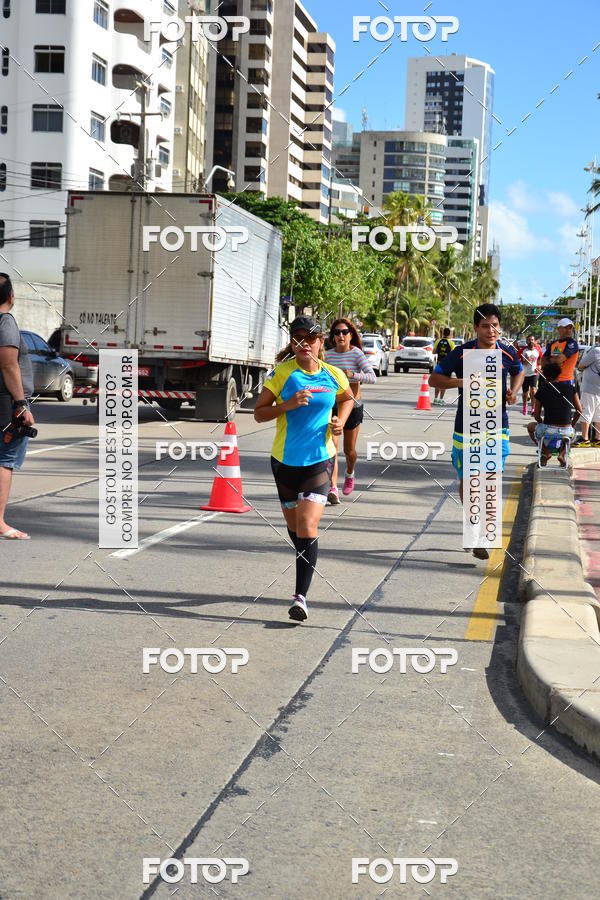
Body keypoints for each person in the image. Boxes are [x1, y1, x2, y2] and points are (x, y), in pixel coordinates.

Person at [254, 316, 354, 621]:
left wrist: (341, 420)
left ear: (321, 342)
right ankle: (302, 558)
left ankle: (300, 597)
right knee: (297, 530)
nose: (304, 344)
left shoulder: (333, 374)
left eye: (310, 338)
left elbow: (348, 398)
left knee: (308, 525)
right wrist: (288, 404)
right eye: (298, 339)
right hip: (284, 462)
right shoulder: (283, 374)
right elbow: (258, 414)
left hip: (320, 460)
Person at [428, 303, 523, 560]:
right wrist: (462, 381)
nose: (491, 330)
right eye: (485, 326)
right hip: (466, 427)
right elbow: (434, 380)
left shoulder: (507, 352)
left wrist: (513, 391)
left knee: (489, 478)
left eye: (495, 325)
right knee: (470, 482)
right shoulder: (462, 353)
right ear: (475, 328)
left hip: (497, 425)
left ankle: (481, 535)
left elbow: (519, 372)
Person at [324, 318, 375, 502]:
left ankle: (350, 472)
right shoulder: (327, 356)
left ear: (351, 335)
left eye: (344, 332)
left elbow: (372, 377)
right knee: (333, 446)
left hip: (353, 405)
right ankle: (333, 488)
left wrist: (352, 375)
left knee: (349, 450)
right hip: (332, 406)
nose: (340, 336)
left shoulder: (356, 354)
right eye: (336, 333)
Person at [0, 274, 35, 539]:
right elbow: (9, 364)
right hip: (7, 403)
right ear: (11, 297)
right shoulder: (6, 322)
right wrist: (22, 405)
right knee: (5, 460)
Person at [527, 362, 581, 466]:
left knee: (530, 426)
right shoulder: (570, 388)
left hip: (548, 429)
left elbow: (537, 415)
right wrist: (573, 424)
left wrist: (541, 423)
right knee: (572, 433)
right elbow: (579, 410)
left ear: (545, 375)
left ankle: (546, 452)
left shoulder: (542, 390)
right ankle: (562, 454)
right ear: (559, 374)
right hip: (567, 431)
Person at [575, 344, 600, 447]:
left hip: (590, 388)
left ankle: (585, 438)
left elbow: (581, 365)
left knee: (586, 412)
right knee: (598, 414)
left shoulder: (596, 351)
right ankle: (597, 438)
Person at [542, 318, 579, 383]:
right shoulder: (555, 343)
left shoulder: (572, 343)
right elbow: (543, 360)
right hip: (552, 380)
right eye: (566, 328)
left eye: (570, 328)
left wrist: (550, 359)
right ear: (558, 329)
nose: (568, 330)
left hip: (566, 380)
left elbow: (558, 359)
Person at [520, 334, 542, 416]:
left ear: (535, 341)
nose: (531, 341)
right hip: (525, 374)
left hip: (534, 373)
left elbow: (540, 360)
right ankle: (525, 406)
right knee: (525, 393)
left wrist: (539, 367)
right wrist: (525, 361)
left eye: (532, 340)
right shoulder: (523, 351)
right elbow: (518, 362)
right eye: (529, 340)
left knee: (533, 390)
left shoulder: (538, 350)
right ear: (527, 341)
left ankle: (533, 408)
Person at [433, 328, 455, 405]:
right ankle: (441, 399)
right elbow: (453, 355)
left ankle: (435, 399)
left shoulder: (438, 341)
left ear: (442, 333)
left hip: (439, 364)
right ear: (449, 334)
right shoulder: (451, 343)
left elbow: (433, 352)